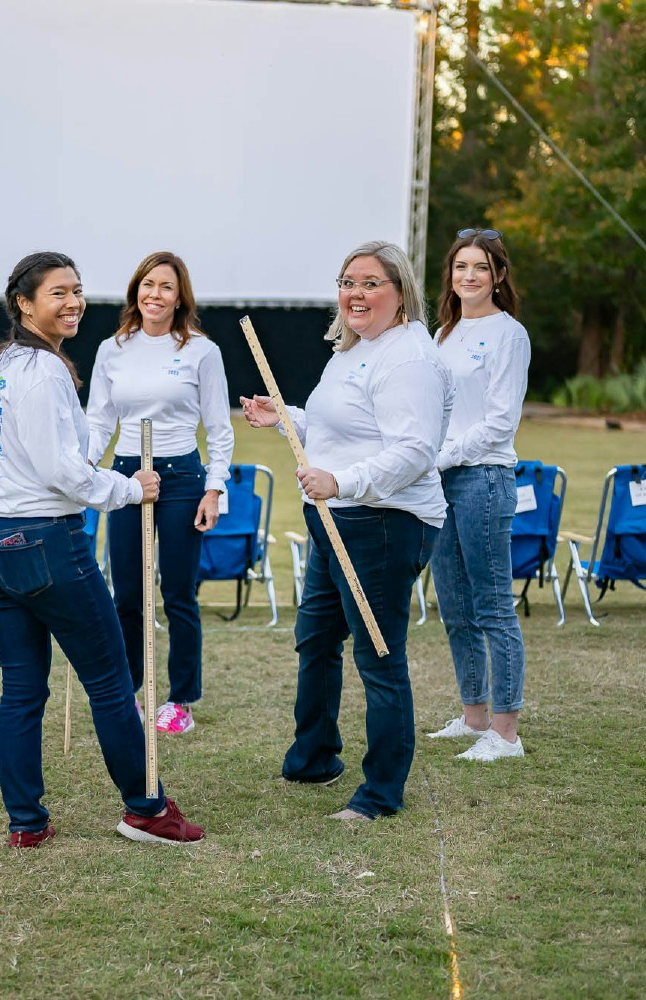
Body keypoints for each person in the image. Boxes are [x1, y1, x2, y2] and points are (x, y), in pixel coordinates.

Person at [0, 251, 205, 848]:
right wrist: (130, 488)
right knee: (109, 682)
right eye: (57, 294)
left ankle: (27, 821)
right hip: (44, 542)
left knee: (21, 688)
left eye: (77, 291)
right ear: (25, 303)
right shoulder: (40, 371)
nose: (73, 302)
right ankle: (146, 809)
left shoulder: (6, 364)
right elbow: (64, 471)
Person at [240, 240, 452, 821]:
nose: (355, 294)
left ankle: (381, 793)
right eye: (347, 282)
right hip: (337, 517)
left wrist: (343, 483)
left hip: (385, 522)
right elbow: (348, 429)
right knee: (315, 640)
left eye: (369, 282)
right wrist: (287, 417)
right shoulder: (356, 349)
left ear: (400, 291)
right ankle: (314, 757)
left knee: (379, 657)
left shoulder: (408, 358)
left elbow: (413, 452)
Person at [85, 251, 233, 734]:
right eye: (148, 285)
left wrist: (214, 490)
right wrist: (83, 467)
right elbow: (100, 418)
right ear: (136, 290)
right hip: (128, 473)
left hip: (182, 477)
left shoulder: (200, 351)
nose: (155, 294)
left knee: (178, 593)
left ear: (179, 297)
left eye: (166, 287)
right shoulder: (113, 347)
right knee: (126, 592)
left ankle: (181, 702)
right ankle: (129, 695)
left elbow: (218, 427)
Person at [424, 229, 532, 762]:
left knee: (492, 606)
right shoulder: (441, 334)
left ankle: (506, 734)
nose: (469, 276)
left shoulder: (509, 335)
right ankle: (474, 719)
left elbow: (497, 424)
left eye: (481, 268)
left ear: (499, 276)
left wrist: (439, 457)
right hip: (438, 483)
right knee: (455, 606)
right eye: (461, 266)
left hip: (483, 479)